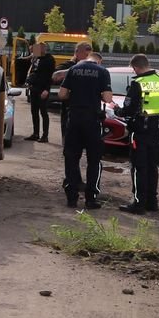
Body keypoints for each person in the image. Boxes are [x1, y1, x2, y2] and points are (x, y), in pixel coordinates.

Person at [59, 41, 113, 209]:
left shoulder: (73, 69)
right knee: (94, 161)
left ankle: (71, 198)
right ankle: (91, 199)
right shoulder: (102, 72)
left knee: (71, 158)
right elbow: (107, 98)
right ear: (97, 60)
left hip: (74, 119)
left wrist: (76, 96)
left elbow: (62, 94)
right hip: (92, 120)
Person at [118, 54, 159, 214]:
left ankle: (138, 203)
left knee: (138, 167)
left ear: (135, 67)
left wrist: (118, 111)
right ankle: (152, 202)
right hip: (155, 131)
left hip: (139, 131)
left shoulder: (137, 83)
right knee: (152, 167)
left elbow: (128, 109)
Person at [24, 41, 56, 142]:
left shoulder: (49, 59)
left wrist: (47, 89)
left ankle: (45, 136)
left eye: (38, 48)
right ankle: (35, 133)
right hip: (34, 88)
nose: (36, 50)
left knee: (43, 112)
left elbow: (50, 76)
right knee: (34, 112)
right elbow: (33, 71)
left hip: (43, 89)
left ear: (43, 49)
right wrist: (29, 82)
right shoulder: (36, 58)